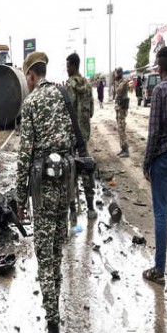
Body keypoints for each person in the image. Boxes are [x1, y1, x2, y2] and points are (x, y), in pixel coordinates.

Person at [16, 52, 75, 333]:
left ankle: (52, 319)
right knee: (56, 249)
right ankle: (55, 307)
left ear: (30, 76)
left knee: (43, 251)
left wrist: (19, 198)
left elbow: (24, 155)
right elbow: (74, 139)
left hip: (42, 188)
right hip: (65, 182)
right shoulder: (64, 96)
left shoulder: (31, 103)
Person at [142, 46, 167, 285]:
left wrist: (146, 163)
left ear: (159, 66)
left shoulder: (159, 91)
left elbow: (154, 132)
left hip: (163, 158)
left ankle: (159, 269)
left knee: (161, 212)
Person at [65, 53, 96, 219]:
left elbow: (67, 110)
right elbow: (91, 111)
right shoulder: (88, 85)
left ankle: (72, 212)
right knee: (86, 168)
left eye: (68, 65)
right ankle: (91, 208)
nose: (66, 68)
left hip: (71, 135)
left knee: (71, 170)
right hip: (84, 135)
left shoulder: (69, 85)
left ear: (74, 66)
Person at [114, 67, 130, 158]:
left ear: (119, 73)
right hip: (119, 109)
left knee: (121, 129)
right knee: (120, 129)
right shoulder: (120, 82)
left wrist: (116, 82)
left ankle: (126, 150)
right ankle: (123, 148)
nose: (115, 75)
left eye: (116, 73)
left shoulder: (123, 83)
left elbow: (119, 92)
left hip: (122, 109)